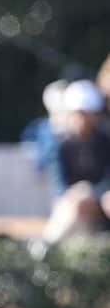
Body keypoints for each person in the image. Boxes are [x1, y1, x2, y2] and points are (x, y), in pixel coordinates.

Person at [41, 79, 110, 242]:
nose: (84, 119)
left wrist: (96, 197)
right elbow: (58, 183)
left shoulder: (105, 140)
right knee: (67, 214)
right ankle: (47, 254)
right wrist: (75, 196)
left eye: (88, 113)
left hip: (100, 200)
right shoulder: (60, 143)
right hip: (72, 203)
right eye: (80, 113)